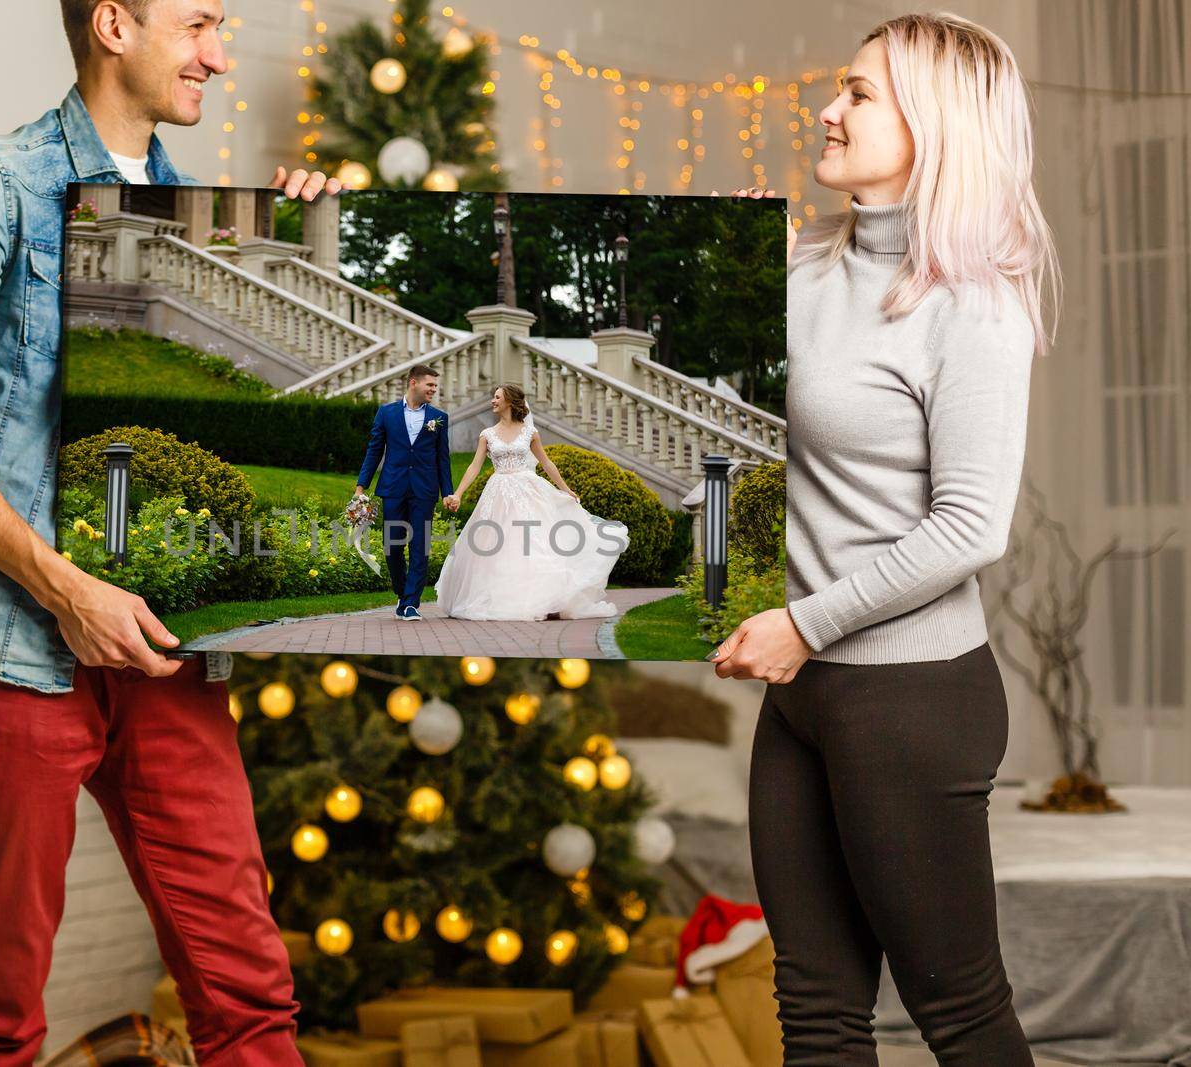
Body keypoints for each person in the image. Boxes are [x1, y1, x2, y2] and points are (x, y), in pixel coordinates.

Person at [0, 1, 340, 1063]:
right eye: (199, 22)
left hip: (169, 652)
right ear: (114, 23)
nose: (220, 54)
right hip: (9, 642)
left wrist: (314, 227)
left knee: (251, 996)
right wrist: (65, 586)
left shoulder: (211, 209)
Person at [708, 12, 1060, 1066]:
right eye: (839, 87)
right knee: (814, 1012)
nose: (827, 107)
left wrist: (802, 625)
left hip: (909, 697)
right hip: (802, 690)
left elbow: (970, 524)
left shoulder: (976, 305)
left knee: (958, 1011)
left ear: (934, 121)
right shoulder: (800, 270)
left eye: (859, 93)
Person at [433, 384, 629, 620]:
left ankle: (547, 599)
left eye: (497, 397)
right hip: (498, 492)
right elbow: (475, 466)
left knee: (535, 542)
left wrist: (565, 489)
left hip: (528, 490)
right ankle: (501, 597)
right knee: (497, 544)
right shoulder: (487, 434)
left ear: (510, 402)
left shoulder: (530, 432)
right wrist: (458, 493)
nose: (492, 401)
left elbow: (546, 463)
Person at [353, 364, 453, 621]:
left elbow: (443, 459)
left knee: (420, 545)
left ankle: (411, 603)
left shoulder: (439, 417)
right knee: (392, 545)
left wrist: (447, 492)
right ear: (413, 383)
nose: (433, 389)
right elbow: (374, 450)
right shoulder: (386, 413)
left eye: (435, 385)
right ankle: (401, 592)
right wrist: (361, 486)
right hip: (393, 487)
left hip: (424, 489)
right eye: (429, 384)